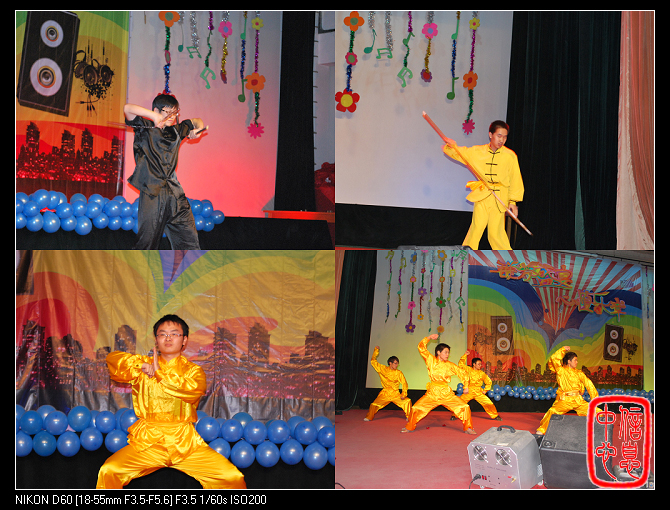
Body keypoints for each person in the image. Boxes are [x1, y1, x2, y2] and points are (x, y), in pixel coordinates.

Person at [96, 314, 246, 489]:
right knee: (109, 471)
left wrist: (159, 373)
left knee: (232, 477)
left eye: (174, 334)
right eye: (162, 334)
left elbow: (192, 390)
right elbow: (113, 360)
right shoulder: (144, 364)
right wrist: (141, 366)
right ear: (156, 339)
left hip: (185, 443)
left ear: (184, 340)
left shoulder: (193, 371)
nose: (168, 338)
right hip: (149, 442)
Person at [124, 94, 206, 250]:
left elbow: (196, 121)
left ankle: (189, 266)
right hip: (153, 193)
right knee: (147, 244)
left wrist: (198, 130)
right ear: (156, 110)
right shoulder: (145, 127)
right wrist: (153, 116)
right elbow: (127, 108)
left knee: (189, 241)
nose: (172, 116)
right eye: (167, 112)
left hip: (176, 195)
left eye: (175, 112)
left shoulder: (176, 130)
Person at [442, 120, 524, 249]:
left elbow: (515, 179)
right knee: (476, 228)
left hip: (500, 196)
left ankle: (506, 259)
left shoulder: (510, 156)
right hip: (483, 193)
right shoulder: (478, 151)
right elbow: (462, 154)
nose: (502, 140)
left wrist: (513, 201)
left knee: (496, 234)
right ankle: (465, 256)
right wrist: (453, 146)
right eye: (499, 136)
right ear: (491, 135)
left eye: (505, 137)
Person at [402, 334, 476, 434]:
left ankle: (468, 428)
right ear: (438, 352)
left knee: (465, 407)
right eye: (445, 352)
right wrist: (428, 338)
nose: (447, 354)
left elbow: (463, 373)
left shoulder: (450, 365)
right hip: (432, 393)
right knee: (416, 408)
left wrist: (466, 386)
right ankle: (409, 427)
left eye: (448, 352)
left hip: (446, 393)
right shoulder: (431, 360)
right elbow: (421, 348)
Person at [536, 346, 601, 435]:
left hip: (578, 400)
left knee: (598, 412)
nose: (577, 362)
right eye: (575, 360)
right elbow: (554, 358)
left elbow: (588, 383)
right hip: (565, 400)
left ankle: (595, 432)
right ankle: (542, 430)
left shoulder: (579, 373)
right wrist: (562, 349)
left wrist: (595, 398)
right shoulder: (561, 371)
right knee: (552, 411)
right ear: (569, 361)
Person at [364, 346, 412, 422]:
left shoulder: (398, 373)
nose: (396, 365)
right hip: (385, 393)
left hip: (395, 394)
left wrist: (404, 394)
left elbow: (404, 383)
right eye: (395, 363)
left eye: (397, 364)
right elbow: (373, 362)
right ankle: (369, 417)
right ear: (390, 363)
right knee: (374, 404)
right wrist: (376, 351)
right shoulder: (382, 369)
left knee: (407, 401)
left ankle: (409, 417)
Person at [453, 351, 502, 421]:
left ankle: (495, 415)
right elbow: (461, 365)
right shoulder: (468, 370)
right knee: (460, 402)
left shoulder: (482, 373)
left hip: (478, 392)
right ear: (474, 364)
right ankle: (454, 415)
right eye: (478, 364)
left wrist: (485, 390)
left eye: (480, 364)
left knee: (488, 403)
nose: (480, 365)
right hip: (469, 391)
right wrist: (465, 355)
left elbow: (488, 382)